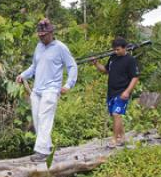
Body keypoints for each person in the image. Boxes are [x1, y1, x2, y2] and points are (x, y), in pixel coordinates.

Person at [16, 18, 78, 162]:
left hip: (51, 89)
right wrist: (22, 75)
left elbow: (72, 66)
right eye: (40, 35)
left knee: (45, 118)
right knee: (38, 120)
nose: (42, 37)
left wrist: (69, 84)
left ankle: (42, 152)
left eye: (44, 35)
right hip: (37, 90)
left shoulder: (60, 47)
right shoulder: (39, 47)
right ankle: (47, 146)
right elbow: (34, 67)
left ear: (51, 33)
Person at [92, 37, 139, 147]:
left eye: (118, 49)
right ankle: (122, 137)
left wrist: (127, 92)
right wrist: (96, 64)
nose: (116, 51)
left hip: (122, 92)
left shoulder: (130, 60)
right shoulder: (113, 57)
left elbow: (135, 77)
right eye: (114, 49)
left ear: (124, 48)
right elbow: (106, 70)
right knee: (115, 116)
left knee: (116, 114)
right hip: (111, 91)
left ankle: (114, 140)